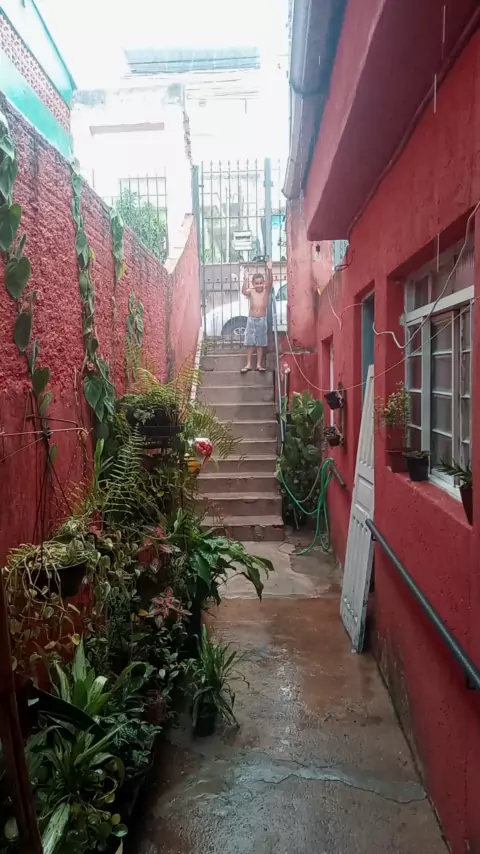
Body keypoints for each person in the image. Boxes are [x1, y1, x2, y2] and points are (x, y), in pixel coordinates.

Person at [241, 259, 273, 373]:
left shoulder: (266, 291)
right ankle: (249, 364)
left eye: (261, 283)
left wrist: (270, 269)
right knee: (250, 342)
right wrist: (245, 279)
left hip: (262, 320)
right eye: (256, 283)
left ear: (263, 283)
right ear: (253, 284)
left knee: (260, 343)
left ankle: (259, 364)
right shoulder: (251, 292)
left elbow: (270, 282)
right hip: (251, 319)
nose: (259, 285)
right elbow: (243, 291)